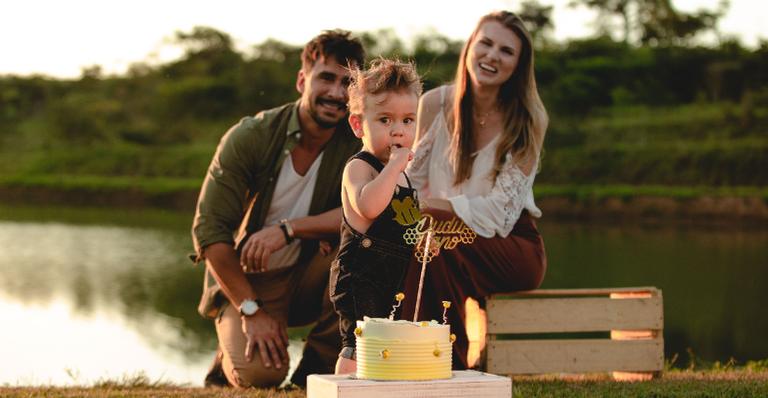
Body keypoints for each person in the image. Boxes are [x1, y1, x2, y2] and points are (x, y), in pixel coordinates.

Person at [191, 30, 365, 388]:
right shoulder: (251, 136)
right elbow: (209, 234)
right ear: (303, 80)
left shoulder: (358, 142)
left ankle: (313, 373)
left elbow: (365, 213)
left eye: (347, 83)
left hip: (308, 274)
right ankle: (231, 350)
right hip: (248, 279)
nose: (336, 93)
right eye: (326, 78)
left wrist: (290, 229)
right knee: (261, 377)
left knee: (366, 253)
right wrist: (250, 311)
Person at [399, 11, 548, 370]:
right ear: (470, 47)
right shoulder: (434, 104)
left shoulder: (529, 120)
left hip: (511, 244)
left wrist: (435, 206)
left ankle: (446, 364)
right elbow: (411, 182)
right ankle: (407, 357)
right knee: (412, 247)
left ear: (518, 65)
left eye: (506, 51)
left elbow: (499, 215)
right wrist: (402, 223)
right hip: (445, 234)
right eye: (486, 43)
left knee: (438, 250)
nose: (492, 55)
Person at [327, 59, 423, 375]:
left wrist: (423, 240)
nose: (398, 130)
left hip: (393, 277)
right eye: (385, 120)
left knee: (385, 346)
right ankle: (343, 391)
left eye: (408, 121)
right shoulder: (361, 167)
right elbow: (369, 206)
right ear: (358, 126)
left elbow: (406, 220)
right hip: (360, 277)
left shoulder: (403, 176)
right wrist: (395, 166)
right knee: (357, 344)